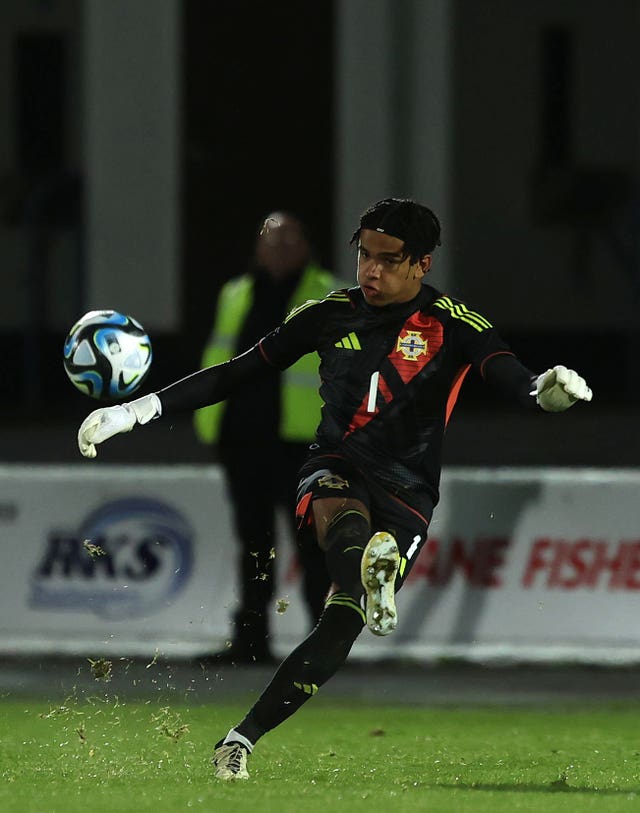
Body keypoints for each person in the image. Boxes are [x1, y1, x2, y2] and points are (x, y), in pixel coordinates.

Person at [77, 198, 593, 781]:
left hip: (409, 490)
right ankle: (371, 570)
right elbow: (236, 371)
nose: (370, 271)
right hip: (335, 462)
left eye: (388, 261)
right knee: (340, 519)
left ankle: (240, 736)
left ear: (422, 264)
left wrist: (542, 394)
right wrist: (137, 411)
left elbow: (509, 373)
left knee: (341, 619)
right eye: (363, 256)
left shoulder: (454, 323)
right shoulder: (328, 313)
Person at [193, 211, 335, 665]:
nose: (277, 248)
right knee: (254, 543)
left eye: (288, 240)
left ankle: (321, 644)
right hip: (242, 437)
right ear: (257, 248)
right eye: (270, 241)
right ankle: (251, 640)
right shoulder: (234, 293)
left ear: (305, 247)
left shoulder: (328, 293)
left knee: (311, 545)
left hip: (301, 442)